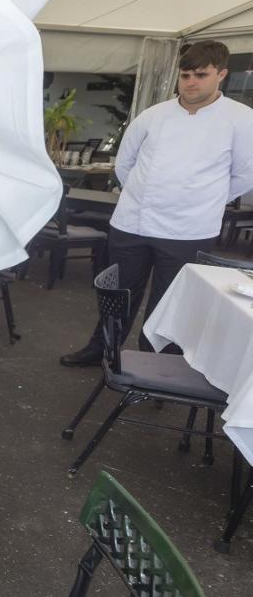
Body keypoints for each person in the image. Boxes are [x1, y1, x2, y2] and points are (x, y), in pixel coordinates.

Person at [61, 40, 253, 366]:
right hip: (133, 221)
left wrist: (199, 199)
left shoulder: (242, 120)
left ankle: (158, 364)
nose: (191, 82)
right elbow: (125, 164)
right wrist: (140, 194)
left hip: (189, 228)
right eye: (186, 74)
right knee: (119, 292)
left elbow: (245, 176)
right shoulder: (153, 116)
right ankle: (101, 348)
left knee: (170, 303)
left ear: (221, 74)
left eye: (200, 75)